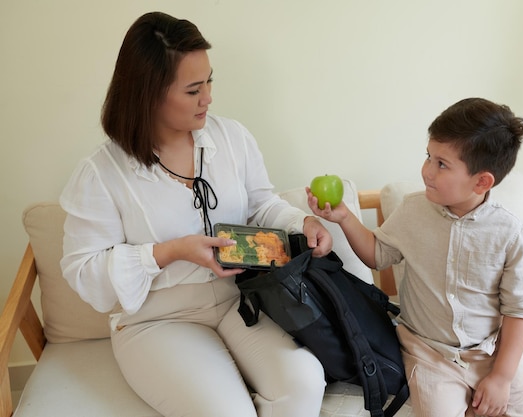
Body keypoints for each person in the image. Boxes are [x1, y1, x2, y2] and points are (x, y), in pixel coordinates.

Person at [60, 11, 332, 417]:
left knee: (305, 383)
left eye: (209, 81)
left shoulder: (232, 138)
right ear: (148, 93)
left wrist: (302, 222)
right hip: (156, 321)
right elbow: (83, 271)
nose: (208, 97)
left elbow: (262, 205)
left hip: (239, 299)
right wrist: (170, 251)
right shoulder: (101, 173)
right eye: (192, 90)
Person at [307, 97, 523, 417]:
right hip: (430, 353)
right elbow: (377, 255)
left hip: (491, 350)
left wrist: (501, 377)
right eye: (428, 156)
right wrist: (344, 216)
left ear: (482, 181)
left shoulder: (510, 232)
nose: (427, 171)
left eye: (442, 164)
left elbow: (519, 310)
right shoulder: (413, 209)